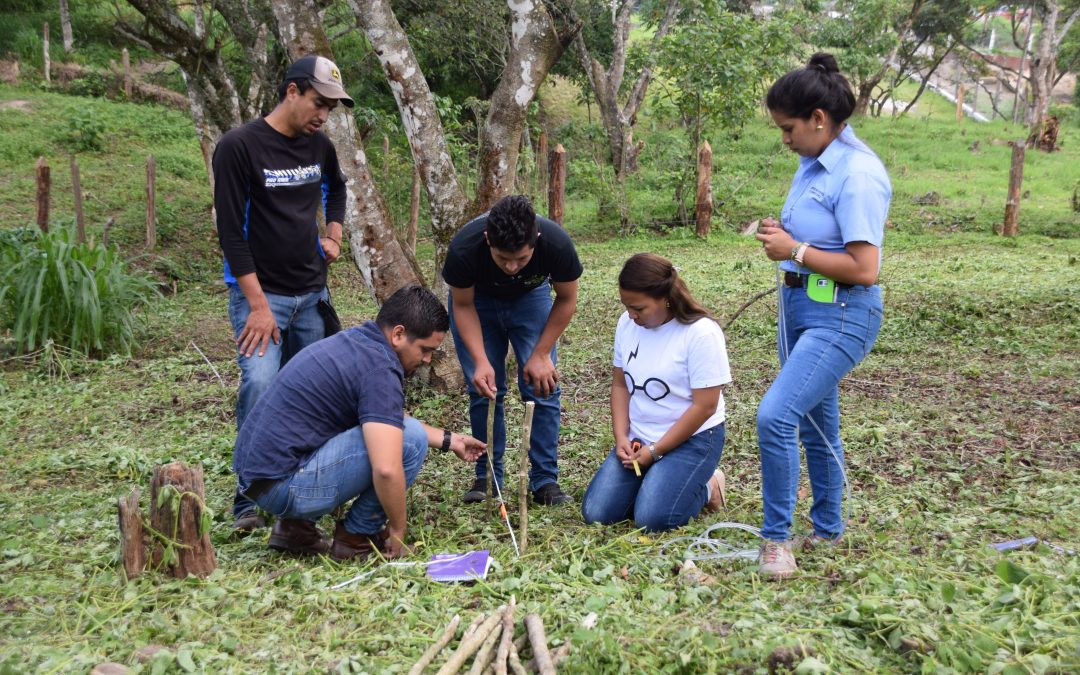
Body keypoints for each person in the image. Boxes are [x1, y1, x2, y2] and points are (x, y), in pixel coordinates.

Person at [754, 52, 890, 579]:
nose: (784, 139)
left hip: (842, 312)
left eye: (788, 129)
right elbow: (811, 239)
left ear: (818, 118)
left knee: (776, 416)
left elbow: (864, 267)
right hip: (802, 305)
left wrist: (797, 249)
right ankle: (829, 529)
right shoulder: (814, 162)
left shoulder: (858, 174)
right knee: (815, 423)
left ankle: (776, 542)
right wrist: (785, 241)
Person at [233, 285, 487, 561]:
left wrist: (451, 440)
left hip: (262, 479)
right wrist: (398, 530)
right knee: (409, 440)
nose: (427, 360)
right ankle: (355, 539)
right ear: (399, 334)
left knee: (396, 432)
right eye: (425, 350)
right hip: (283, 486)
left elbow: (382, 419)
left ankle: (296, 530)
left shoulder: (357, 343)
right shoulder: (380, 368)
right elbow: (387, 468)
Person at [213, 55, 354, 532]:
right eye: (319, 103)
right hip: (262, 296)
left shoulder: (320, 146)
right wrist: (256, 305)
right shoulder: (239, 147)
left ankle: (304, 496)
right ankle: (247, 501)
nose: (323, 115)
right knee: (259, 386)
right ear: (291, 91)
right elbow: (231, 234)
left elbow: (338, 188)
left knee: (316, 395)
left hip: (312, 294)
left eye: (331, 108)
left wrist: (333, 234)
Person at [442, 195, 582, 506]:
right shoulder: (465, 248)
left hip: (531, 299)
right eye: (502, 257)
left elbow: (566, 299)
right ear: (488, 239)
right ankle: (487, 476)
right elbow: (462, 305)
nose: (511, 266)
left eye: (521, 259)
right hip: (478, 303)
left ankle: (545, 480)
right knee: (484, 389)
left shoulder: (556, 245)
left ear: (537, 240)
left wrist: (541, 353)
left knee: (542, 385)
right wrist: (480, 361)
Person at [581, 253, 731, 532]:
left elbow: (705, 406)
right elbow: (619, 384)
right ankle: (656, 480)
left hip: (693, 438)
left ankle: (710, 486)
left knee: (653, 519)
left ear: (665, 298)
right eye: (626, 306)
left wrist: (656, 451)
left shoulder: (700, 334)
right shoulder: (627, 325)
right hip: (641, 437)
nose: (631, 315)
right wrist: (621, 436)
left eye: (639, 308)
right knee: (597, 513)